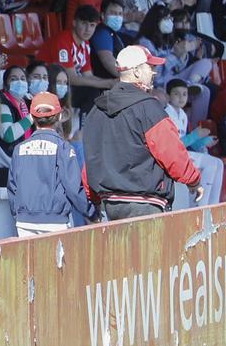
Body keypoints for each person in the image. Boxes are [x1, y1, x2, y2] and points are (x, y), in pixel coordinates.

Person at [81, 44, 201, 220]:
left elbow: (91, 159)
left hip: (110, 204)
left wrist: (93, 199)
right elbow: (171, 152)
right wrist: (194, 180)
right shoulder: (149, 108)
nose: (154, 73)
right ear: (136, 72)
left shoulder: (96, 110)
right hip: (146, 203)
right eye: (150, 67)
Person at [8, 92, 91, 235]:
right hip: (56, 221)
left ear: (32, 117)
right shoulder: (64, 148)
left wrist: (18, 214)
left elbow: (12, 186)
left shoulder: (19, 149)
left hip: (24, 221)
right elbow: (73, 188)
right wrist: (91, 213)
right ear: (59, 117)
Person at [161, 77, 226, 206]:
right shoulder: (166, 113)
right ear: (168, 96)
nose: (181, 97)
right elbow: (175, 145)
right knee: (211, 164)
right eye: (176, 93)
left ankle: (213, 205)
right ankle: (201, 205)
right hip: (172, 157)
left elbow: (187, 143)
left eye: (184, 94)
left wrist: (202, 141)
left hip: (182, 155)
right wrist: (196, 135)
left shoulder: (183, 115)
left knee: (219, 163)